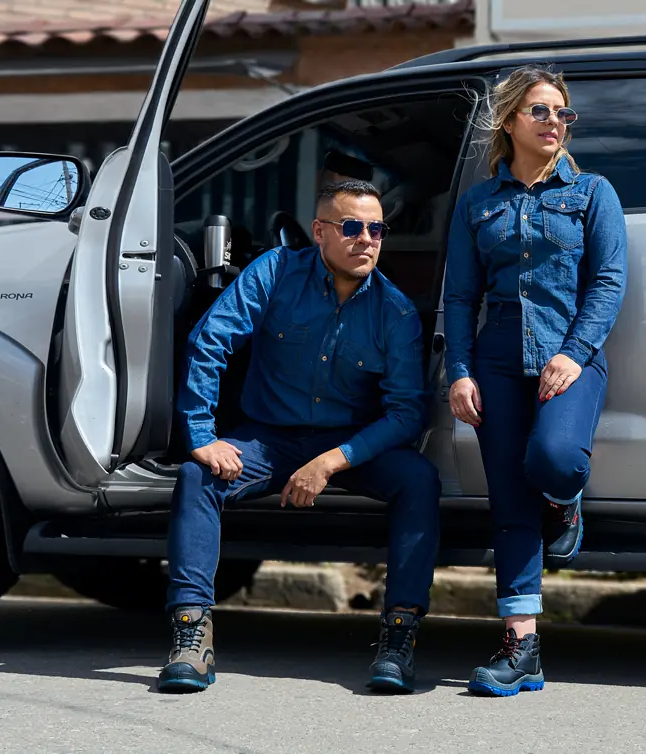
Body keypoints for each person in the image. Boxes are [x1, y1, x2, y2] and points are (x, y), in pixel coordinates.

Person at [159, 179, 441, 695]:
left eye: (377, 229)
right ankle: (190, 634)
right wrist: (200, 433)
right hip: (270, 439)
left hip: (348, 444)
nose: (367, 239)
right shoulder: (274, 271)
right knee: (198, 476)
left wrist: (332, 461)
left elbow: (406, 414)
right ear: (319, 232)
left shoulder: (395, 311)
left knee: (419, 479)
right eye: (352, 227)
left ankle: (399, 638)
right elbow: (209, 342)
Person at [443, 64, 628, 697]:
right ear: (510, 121)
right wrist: (460, 371)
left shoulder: (593, 193)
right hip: (494, 357)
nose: (556, 124)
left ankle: (564, 501)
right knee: (507, 502)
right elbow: (461, 296)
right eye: (542, 112)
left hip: (568, 353)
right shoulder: (478, 202)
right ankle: (521, 647)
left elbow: (607, 283)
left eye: (563, 114)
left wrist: (575, 352)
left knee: (552, 461)